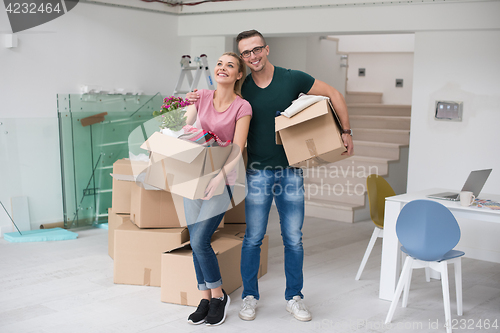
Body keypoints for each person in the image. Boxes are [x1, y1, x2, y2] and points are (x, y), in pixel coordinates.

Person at [187, 29, 354, 322]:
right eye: (246, 53)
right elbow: (220, 103)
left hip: (291, 172)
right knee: (253, 238)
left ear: (267, 49)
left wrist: (346, 131)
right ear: (242, 58)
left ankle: (295, 297)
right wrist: (195, 98)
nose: (252, 56)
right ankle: (249, 297)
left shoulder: (293, 78)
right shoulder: (243, 90)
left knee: (293, 238)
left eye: (256, 49)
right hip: (257, 173)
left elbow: (333, 94)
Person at [182, 52, 252, 326]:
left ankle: (219, 295)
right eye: (220, 64)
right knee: (194, 241)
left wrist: (219, 177)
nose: (223, 68)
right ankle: (205, 297)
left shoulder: (242, 107)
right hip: (194, 176)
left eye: (230, 66)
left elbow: (238, 148)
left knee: (200, 240)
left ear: (238, 75)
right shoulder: (200, 96)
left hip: (222, 180)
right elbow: (185, 130)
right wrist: (184, 112)